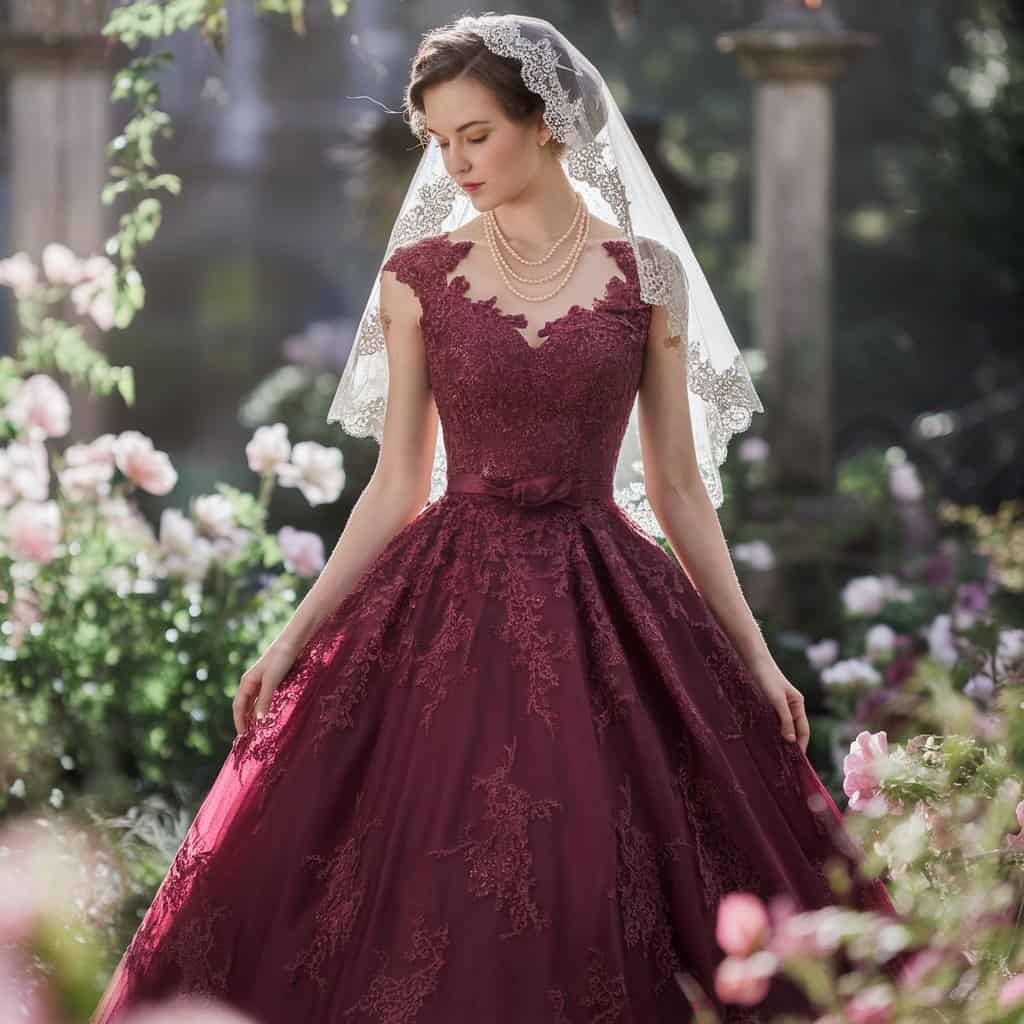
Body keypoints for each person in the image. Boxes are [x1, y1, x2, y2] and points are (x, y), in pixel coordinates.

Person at [91, 14, 907, 1024]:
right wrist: (292, 632)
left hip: (606, 594)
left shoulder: (645, 274)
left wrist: (753, 651)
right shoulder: (417, 279)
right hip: (445, 603)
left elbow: (678, 487)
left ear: (547, 123)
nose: (456, 161)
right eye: (439, 141)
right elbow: (396, 483)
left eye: (475, 134)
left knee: (599, 867)